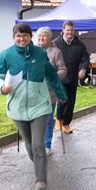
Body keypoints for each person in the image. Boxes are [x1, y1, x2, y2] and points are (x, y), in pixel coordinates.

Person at [0, 23, 67, 190]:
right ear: (14, 37)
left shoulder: (40, 54)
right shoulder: (6, 55)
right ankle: (40, 166)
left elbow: (51, 75)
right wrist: (1, 87)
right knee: (30, 146)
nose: (22, 39)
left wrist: (61, 94)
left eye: (25, 36)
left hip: (40, 106)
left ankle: (40, 185)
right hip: (17, 108)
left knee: (39, 145)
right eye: (18, 36)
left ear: (30, 37)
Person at [53, 21, 89, 134]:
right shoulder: (55, 43)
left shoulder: (80, 44)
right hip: (60, 77)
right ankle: (58, 119)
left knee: (71, 102)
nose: (70, 32)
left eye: (72, 30)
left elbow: (85, 58)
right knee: (63, 99)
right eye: (68, 30)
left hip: (73, 77)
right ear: (63, 30)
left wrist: (83, 69)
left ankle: (66, 123)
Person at [36, 26, 67, 156]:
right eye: (39, 36)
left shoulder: (56, 52)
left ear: (49, 38)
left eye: (44, 36)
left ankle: (47, 145)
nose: (41, 38)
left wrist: (53, 77)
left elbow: (63, 69)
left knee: (48, 119)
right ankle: (37, 144)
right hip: (34, 92)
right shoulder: (32, 50)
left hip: (49, 91)